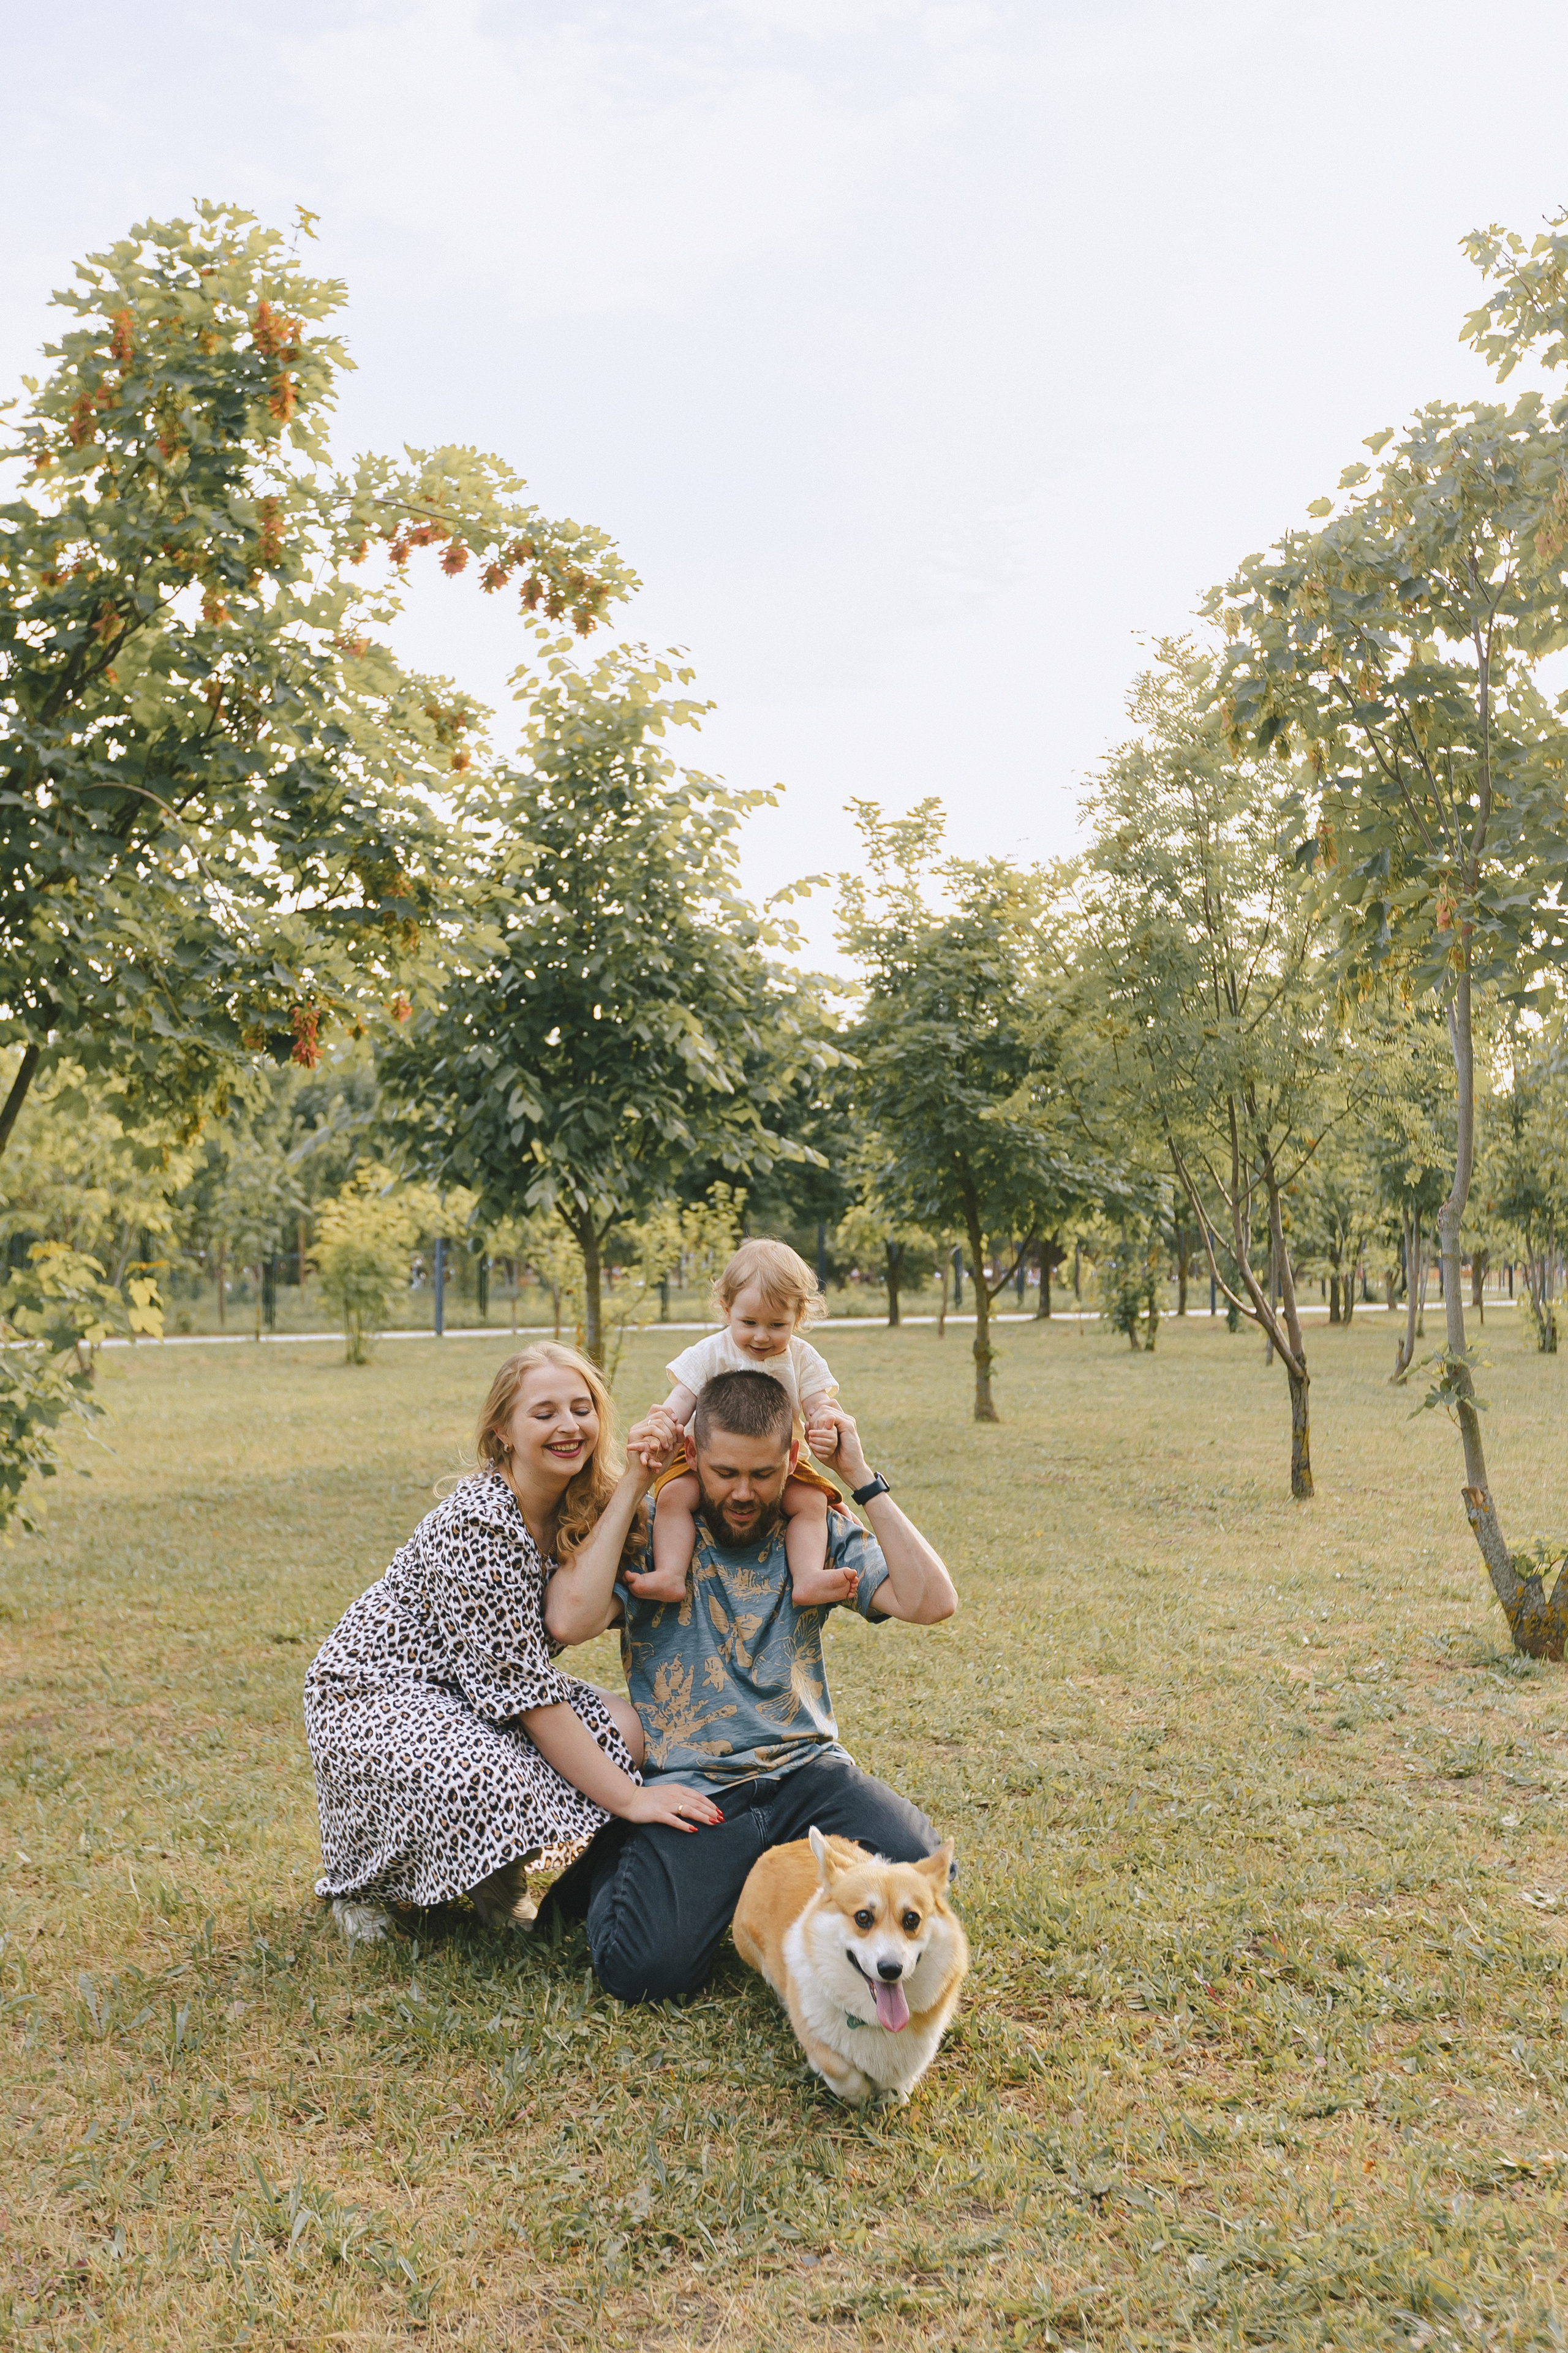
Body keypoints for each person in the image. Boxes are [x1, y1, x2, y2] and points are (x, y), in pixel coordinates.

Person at [539, 1366, 958, 2003]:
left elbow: (931, 1602)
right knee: (646, 1972)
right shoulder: (655, 1531)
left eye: (762, 1475)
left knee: (923, 1872)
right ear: (693, 1456)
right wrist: (635, 1482)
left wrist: (862, 1479)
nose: (741, 1492)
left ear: (790, 1459)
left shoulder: (812, 1531)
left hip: (807, 1771)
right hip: (694, 1788)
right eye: (724, 1472)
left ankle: (733, 1877)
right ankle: (617, 1857)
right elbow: (568, 1619)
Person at [303, 1343, 723, 1945]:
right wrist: (629, 1799)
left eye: (582, 1409)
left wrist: (644, 1473)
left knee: (629, 1730)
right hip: (377, 1692)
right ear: (503, 1430)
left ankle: (493, 1871)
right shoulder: (479, 1519)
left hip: (479, 1689)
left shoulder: (587, 1500)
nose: (568, 1426)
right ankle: (362, 1884)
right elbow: (529, 1696)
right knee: (484, 1770)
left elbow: (584, 1613)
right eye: (544, 1412)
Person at [627, 1237, 855, 1611]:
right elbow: (682, 1400)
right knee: (673, 1497)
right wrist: (664, 1424)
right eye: (749, 1323)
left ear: (798, 1317)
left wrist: (826, 1420)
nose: (762, 1336)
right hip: (706, 1460)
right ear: (726, 1307)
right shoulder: (710, 1352)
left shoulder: (802, 1358)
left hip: (779, 1464)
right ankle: (670, 1573)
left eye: (777, 1324)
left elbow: (818, 1402)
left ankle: (808, 1577)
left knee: (812, 1502)